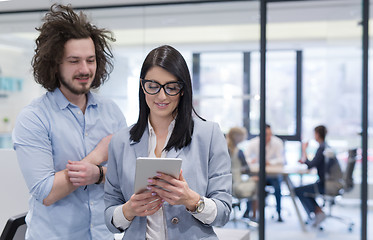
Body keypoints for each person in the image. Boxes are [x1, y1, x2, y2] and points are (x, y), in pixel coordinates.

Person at [12, 4, 126, 240]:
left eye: (90, 60)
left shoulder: (112, 112)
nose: (85, 69)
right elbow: (46, 192)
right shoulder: (34, 118)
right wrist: (97, 157)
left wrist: (98, 174)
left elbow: (126, 175)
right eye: (74, 61)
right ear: (55, 64)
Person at [104, 45, 232, 239]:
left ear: (182, 90)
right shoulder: (120, 141)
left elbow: (224, 213)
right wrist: (128, 210)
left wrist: (192, 200)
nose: (161, 96)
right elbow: (109, 217)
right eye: (153, 86)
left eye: (171, 87)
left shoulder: (209, 134)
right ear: (142, 86)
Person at [295, 125, 337, 228]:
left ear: (317, 134)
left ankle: (317, 213)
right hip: (329, 182)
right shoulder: (326, 146)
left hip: (325, 185)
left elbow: (311, 164)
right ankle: (318, 212)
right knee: (303, 190)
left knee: (298, 190)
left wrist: (304, 150)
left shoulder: (322, 148)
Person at [244, 124, 285, 222]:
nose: (269, 137)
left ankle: (279, 213)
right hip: (258, 175)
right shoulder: (253, 143)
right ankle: (249, 211)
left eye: (270, 134)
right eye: (267, 134)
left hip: (273, 176)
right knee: (253, 185)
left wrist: (270, 162)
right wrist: (252, 160)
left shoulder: (277, 142)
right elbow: (245, 158)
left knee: (277, 187)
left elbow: (282, 160)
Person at [227, 127, 258, 220]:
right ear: (238, 137)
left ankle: (247, 212)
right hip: (237, 187)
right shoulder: (239, 152)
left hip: (225, 186)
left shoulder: (224, 149)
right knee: (257, 181)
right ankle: (253, 215)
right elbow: (247, 169)